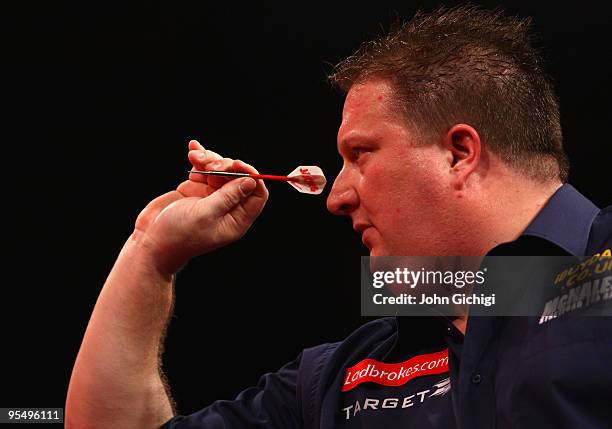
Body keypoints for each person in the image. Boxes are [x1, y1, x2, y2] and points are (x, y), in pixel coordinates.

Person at [66, 6, 612, 429]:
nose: (337, 196)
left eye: (360, 154)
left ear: (459, 153)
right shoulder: (338, 380)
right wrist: (150, 254)